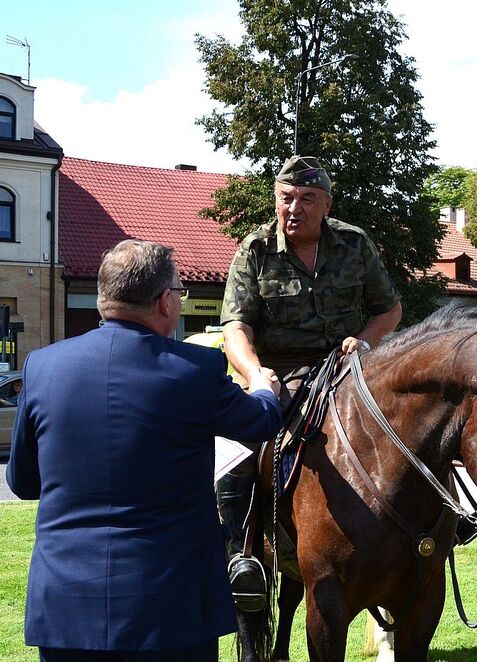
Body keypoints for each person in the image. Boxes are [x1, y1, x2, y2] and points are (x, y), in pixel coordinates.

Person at [5, 240, 283, 661]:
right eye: (180, 290)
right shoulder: (196, 370)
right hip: (170, 606)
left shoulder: (42, 366)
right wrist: (264, 387)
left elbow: (24, 483)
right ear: (165, 301)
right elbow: (262, 421)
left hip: (67, 605)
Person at [219, 155, 402, 605]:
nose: (294, 209)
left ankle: (440, 521)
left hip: (347, 365)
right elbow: (235, 326)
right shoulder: (256, 250)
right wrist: (254, 373)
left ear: (327, 204)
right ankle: (244, 554)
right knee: (240, 450)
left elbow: (389, 310)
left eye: (307, 199)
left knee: (413, 421)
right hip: (279, 372)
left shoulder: (354, 244)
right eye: (286, 198)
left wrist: (363, 341)